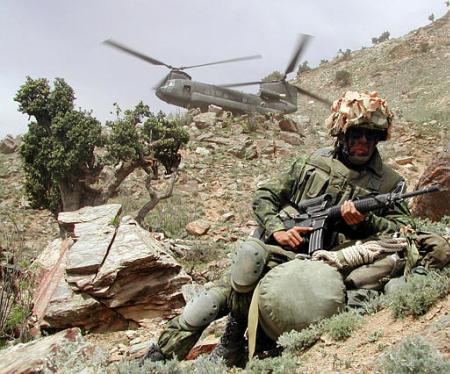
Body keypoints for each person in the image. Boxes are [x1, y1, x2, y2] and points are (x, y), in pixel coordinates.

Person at [144, 91, 416, 366]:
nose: (363, 142)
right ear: (341, 133)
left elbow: (406, 230)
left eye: (371, 136)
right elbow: (264, 196)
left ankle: (240, 343)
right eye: (357, 133)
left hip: (327, 265)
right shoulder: (311, 164)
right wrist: (277, 229)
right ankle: (159, 357)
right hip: (279, 246)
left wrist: (365, 222)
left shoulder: (390, 184)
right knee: (212, 300)